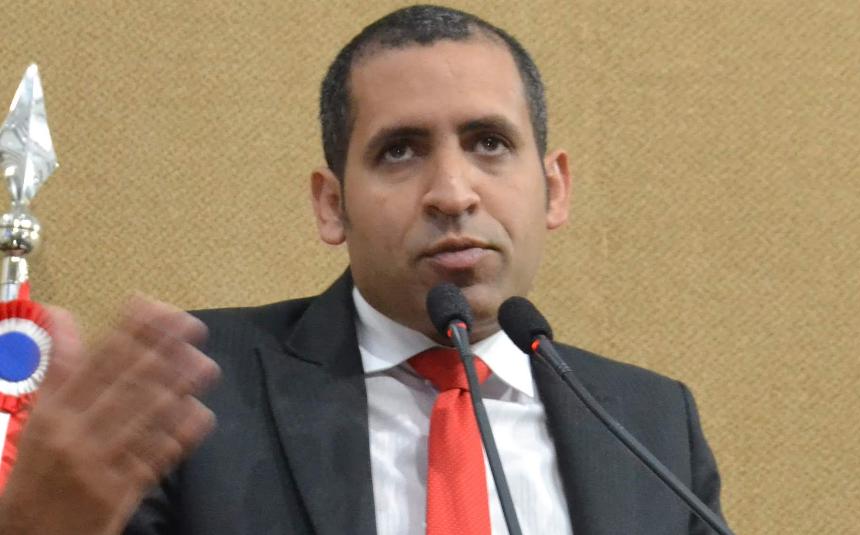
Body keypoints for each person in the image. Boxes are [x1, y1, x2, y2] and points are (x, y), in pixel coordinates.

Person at [0, 5, 728, 535]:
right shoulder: (196, 391)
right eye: (400, 151)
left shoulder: (651, 425)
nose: (452, 193)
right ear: (332, 205)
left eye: (488, 142)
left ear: (554, 187)